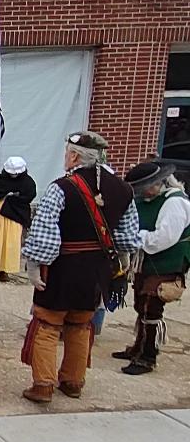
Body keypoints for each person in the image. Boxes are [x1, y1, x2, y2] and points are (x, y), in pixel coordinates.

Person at [19, 131, 139, 403]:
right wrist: (121, 264)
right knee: (81, 324)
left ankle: (43, 385)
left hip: (62, 269)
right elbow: (126, 238)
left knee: (47, 324)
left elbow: (45, 235)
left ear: (74, 156)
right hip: (96, 272)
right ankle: (73, 382)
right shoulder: (123, 189)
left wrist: (35, 265)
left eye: (66, 153)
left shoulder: (61, 187)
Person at [114, 161, 190, 375]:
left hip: (168, 261)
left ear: (159, 183)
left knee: (152, 305)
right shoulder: (147, 199)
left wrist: (134, 237)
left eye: (145, 187)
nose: (143, 192)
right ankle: (138, 347)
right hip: (147, 260)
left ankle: (148, 356)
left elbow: (164, 238)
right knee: (141, 302)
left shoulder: (175, 203)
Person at [0, 156, 37, 283]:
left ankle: (4, 271)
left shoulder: (27, 182)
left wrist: (14, 198)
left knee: (10, 243)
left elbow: (29, 195)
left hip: (15, 216)